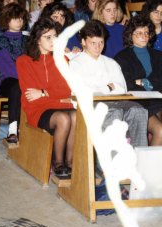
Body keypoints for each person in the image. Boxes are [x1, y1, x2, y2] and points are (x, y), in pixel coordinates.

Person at [69, 20, 149, 147]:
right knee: (113, 112)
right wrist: (108, 87)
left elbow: (121, 88)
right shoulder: (76, 63)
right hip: (90, 104)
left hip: (115, 101)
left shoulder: (111, 62)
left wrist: (102, 88)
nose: (98, 47)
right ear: (83, 42)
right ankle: (109, 163)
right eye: (93, 43)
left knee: (138, 110)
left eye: (101, 42)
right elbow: (85, 90)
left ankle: (140, 157)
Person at [17, 18, 75, 179]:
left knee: (76, 116)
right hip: (38, 109)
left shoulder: (62, 59)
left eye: (55, 36)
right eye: (47, 37)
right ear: (37, 39)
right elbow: (31, 96)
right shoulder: (24, 61)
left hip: (58, 104)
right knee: (63, 119)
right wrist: (60, 98)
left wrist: (44, 92)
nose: (53, 41)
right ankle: (58, 162)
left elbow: (68, 88)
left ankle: (71, 162)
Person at [114, 15, 162, 145]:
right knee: (160, 130)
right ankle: (146, 165)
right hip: (138, 103)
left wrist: (144, 82)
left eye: (147, 33)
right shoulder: (122, 57)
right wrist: (145, 83)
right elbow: (127, 84)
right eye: (139, 33)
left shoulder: (158, 55)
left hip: (158, 100)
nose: (144, 36)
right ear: (130, 35)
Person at [0, 3, 30, 144]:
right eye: (15, 18)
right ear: (7, 20)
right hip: (5, 79)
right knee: (16, 86)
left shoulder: (28, 40)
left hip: (26, 79)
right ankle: (13, 129)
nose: (19, 21)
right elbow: (5, 65)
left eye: (21, 18)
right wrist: (25, 79)